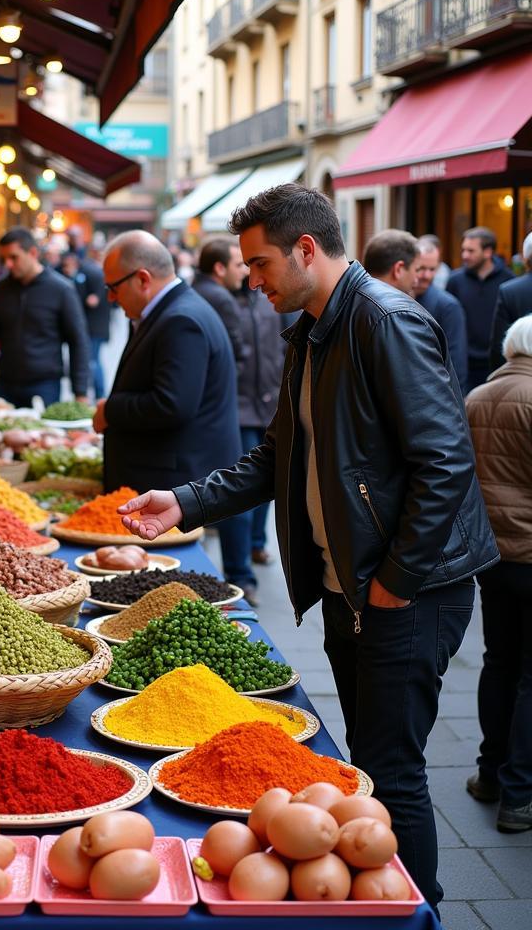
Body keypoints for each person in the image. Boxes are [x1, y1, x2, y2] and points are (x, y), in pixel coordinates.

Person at [117, 183, 498, 910]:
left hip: (402, 590)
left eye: (259, 265)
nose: (250, 279)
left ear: (307, 250)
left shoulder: (384, 322)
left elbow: (446, 461)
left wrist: (396, 578)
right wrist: (187, 502)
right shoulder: (313, 328)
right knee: (366, 761)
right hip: (351, 584)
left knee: (390, 768)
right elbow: (277, 456)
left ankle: (419, 911)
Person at [94, 231, 256, 600]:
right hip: (169, 475)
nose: (110, 298)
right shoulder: (176, 311)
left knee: (168, 597)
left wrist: (111, 410)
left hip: (172, 480)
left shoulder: (180, 319)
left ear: (142, 279)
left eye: (113, 288)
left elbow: (172, 404)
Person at [465, 314, 532, 834]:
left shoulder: (476, 398)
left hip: (492, 555)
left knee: (499, 661)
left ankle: (489, 772)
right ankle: (520, 794)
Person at [0, 227, 90, 407]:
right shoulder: (0, 289)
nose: (8, 264)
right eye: (4, 259)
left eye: (14, 257)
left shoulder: (61, 289)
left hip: (45, 385)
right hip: (6, 383)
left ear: (33, 253)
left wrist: (80, 392)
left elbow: (78, 342)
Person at [233, 280, 295, 566]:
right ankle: (242, 555)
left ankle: (257, 542)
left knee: (269, 476)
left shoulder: (272, 299)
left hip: (271, 401)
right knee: (246, 474)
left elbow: (287, 345)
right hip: (241, 404)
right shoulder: (228, 301)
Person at [446, 226, 513, 391]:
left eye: (470, 251)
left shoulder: (508, 281)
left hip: (498, 366)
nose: (464, 256)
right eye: (463, 250)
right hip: (463, 366)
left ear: (488, 252)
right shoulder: (454, 280)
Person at [415, 237, 469, 389]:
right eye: (421, 268)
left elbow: (456, 361)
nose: (427, 276)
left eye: (432, 269)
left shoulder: (448, 306)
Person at [61, 250, 111, 400]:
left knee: (92, 361)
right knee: (92, 361)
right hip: (90, 327)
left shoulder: (91, 273)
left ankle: (100, 394)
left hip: (95, 328)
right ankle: (98, 394)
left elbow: (92, 300)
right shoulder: (78, 276)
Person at [193, 235, 249, 363]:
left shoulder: (196, 289)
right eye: (239, 265)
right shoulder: (222, 299)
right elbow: (236, 350)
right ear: (220, 269)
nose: (245, 271)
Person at [489, 231, 532, 372]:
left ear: (526, 258)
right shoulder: (509, 291)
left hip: (519, 374)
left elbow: (498, 346)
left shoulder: (510, 291)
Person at [360, 229, 419, 296]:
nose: (416, 280)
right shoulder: (400, 305)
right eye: (416, 270)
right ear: (398, 269)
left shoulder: (353, 299)